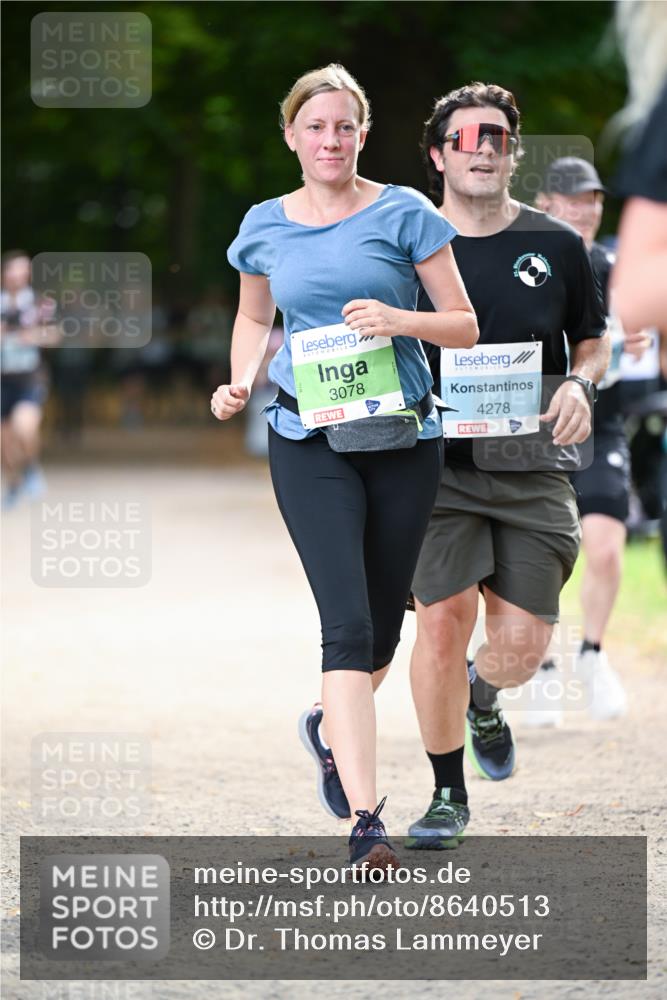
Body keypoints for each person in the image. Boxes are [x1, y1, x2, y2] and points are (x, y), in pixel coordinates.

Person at [211, 64, 477, 871]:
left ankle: (329, 729)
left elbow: (463, 324)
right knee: (347, 626)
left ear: (361, 134)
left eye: (343, 127)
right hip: (307, 441)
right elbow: (255, 314)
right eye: (314, 127)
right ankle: (367, 822)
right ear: (290, 135)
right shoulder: (263, 225)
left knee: (383, 626)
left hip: (402, 440)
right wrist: (240, 376)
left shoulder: (405, 212)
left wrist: (400, 319)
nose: (330, 140)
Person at [403, 83, 610, 849]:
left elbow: (590, 337)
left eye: (496, 136)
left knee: (521, 646)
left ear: (513, 152)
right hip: (435, 466)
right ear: (437, 155)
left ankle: (484, 699)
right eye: (465, 138)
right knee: (439, 627)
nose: (482, 147)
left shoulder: (558, 244)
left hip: (529, 462)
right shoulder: (405, 241)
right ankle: (446, 796)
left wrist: (583, 385)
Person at [532, 157, 649, 722]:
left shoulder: (619, 264)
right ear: (547, 202)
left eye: (593, 199)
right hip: (534, 426)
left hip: (601, 422)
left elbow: (637, 325)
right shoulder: (526, 259)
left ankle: (592, 655)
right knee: (540, 556)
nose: (585, 208)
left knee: (603, 546)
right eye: (572, 198)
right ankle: (538, 666)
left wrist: (648, 339)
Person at [1, 250, 59, 509]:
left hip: (28, 379)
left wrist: (33, 336)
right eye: (15, 269)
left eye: (25, 269)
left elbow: (55, 335)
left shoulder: (40, 303)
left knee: (24, 428)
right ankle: (13, 483)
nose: (20, 274)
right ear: (5, 273)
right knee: (4, 444)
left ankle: (32, 468)